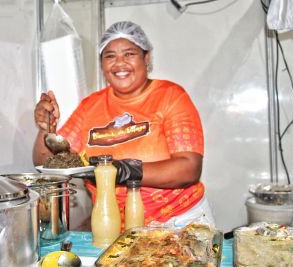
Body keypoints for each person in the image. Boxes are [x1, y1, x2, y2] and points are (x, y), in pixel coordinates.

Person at [33, 21, 215, 227]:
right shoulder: (90, 106)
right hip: (113, 225)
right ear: (102, 64)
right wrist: (46, 129)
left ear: (146, 58)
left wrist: (123, 171)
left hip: (179, 221)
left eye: (129, 54)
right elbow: (46, 162)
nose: (119, 63)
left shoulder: (170, 96)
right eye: (110, 56)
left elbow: (188, 169)